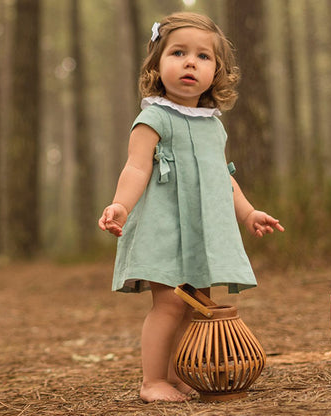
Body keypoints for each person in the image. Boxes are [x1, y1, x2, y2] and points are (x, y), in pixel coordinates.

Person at [98, 12, 284, 403]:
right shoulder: (153, 118)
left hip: (200, 234)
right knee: (168, 303)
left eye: (203, 57)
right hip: (165, 229)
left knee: (192, 305)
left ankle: (175, 375)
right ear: (157, 64)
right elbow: (135, 167)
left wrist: (248, 212)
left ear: (217, 72)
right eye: (178, 53)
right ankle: (151, 381)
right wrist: (120, 205)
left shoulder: (213, 125)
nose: (189, 63)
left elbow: (223, 177)